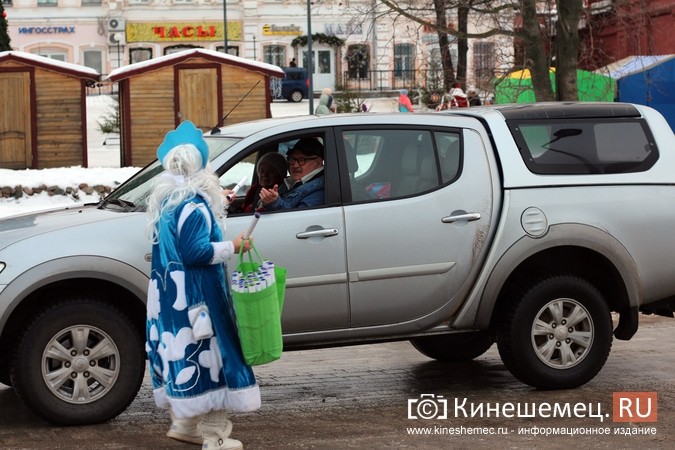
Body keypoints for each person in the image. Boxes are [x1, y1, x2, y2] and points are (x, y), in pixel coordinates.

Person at [145, 120, 260, 450]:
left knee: (188, 362)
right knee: (218, 364)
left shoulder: (166, 204)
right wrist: (233, 246)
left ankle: (185, 424)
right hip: (200, 302)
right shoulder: (194, 206)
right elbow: (196, 252)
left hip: (172, 302)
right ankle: (216, 437)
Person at [259, 137, 324, 210]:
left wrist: (274, 203)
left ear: (318, 162)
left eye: (301, 160)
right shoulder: (292, 182)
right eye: (292, 159)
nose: (295, 165)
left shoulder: (319, 191)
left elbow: (297, 219)